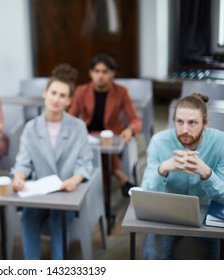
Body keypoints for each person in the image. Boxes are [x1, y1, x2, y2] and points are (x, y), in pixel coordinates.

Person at [12, 64, 94, 260]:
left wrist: (74, 180)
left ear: (69, 101)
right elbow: (23, 163)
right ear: (45, 93)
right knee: (28, 217)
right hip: (39, 195)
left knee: (59, 218)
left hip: (66, 194)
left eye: (62, 95)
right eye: (53, 93)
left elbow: (85, 162)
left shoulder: (78, 127)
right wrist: (19, 177)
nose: (56, 99)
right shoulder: (31, 128)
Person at [140, 93, 224, 259]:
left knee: (215, 259)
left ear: (206, 123)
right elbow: (146, 192)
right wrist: (162, 169)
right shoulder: (159, 141)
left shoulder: (220, 141)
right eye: (180, 122)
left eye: (192, 122)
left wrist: (206, 173)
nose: (185, 129)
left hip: (208, 211)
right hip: (169, 212)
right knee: (154, 258)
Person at [68, 53, 142, 196]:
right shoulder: (81, 91)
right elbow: (71, 118)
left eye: (105, 71)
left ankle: (101, 198)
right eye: (96, 71)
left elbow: (135, 119)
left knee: (104, 151)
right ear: (91, 73)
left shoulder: (121, 91)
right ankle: (121, 178)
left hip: (112, 137)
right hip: (88, 136)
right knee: (100, 152)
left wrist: (130, 130)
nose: (100, 76)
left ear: (112, 74)